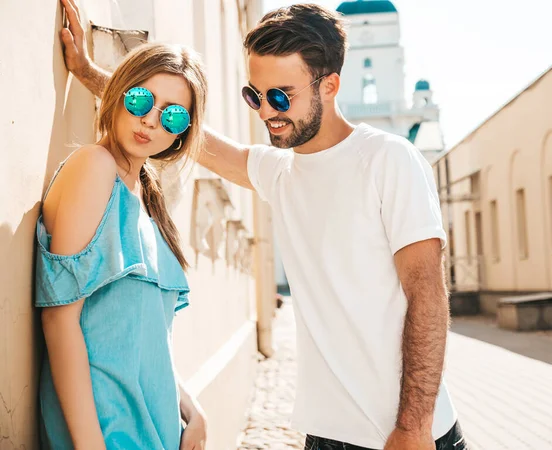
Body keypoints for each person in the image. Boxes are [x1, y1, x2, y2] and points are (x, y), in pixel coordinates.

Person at [60, 0, 467, 448]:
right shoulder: (282, 172)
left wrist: (413, 427)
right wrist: (90, 73)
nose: (265, 112)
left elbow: (428, 296)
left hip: (410, 435)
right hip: (325, 435)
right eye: (254, 95)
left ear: (329, 85)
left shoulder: (388, 160)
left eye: (280, 97)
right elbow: (186, 134)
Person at [36, 39, 209, 450]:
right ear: (118, 92)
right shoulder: (93, 167)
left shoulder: (146, 200)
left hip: (160, 428)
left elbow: (135, 337)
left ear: (182, 132)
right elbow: (60, 322)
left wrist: (192, 409)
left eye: (172, 115)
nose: (151, 120)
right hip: (105, 430)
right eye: (140, 99)